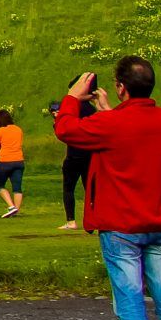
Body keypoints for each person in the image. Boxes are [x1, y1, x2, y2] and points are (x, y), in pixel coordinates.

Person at [56, 57, 161, 320]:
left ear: (120, 88)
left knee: (130, 309)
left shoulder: (111, 124)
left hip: (121, 226)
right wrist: (110, 112)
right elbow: (131, 135)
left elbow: (66, 129)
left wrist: (72, 98)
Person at [59, 97, 96, 232]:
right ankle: (94, 220)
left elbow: (64, 130)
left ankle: (71, 220)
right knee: (90, 190)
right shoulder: (92, 109)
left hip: (74, 154)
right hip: (89, 155)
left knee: (69, 189)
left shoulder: (73, 110)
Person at [0, 108, 28, 218]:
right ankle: (16, 211)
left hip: (5, 161)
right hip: (19, 160)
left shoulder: (1, 130)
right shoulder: (18, 129)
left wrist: (0, 146)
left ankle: (11, 206)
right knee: (17, 187)